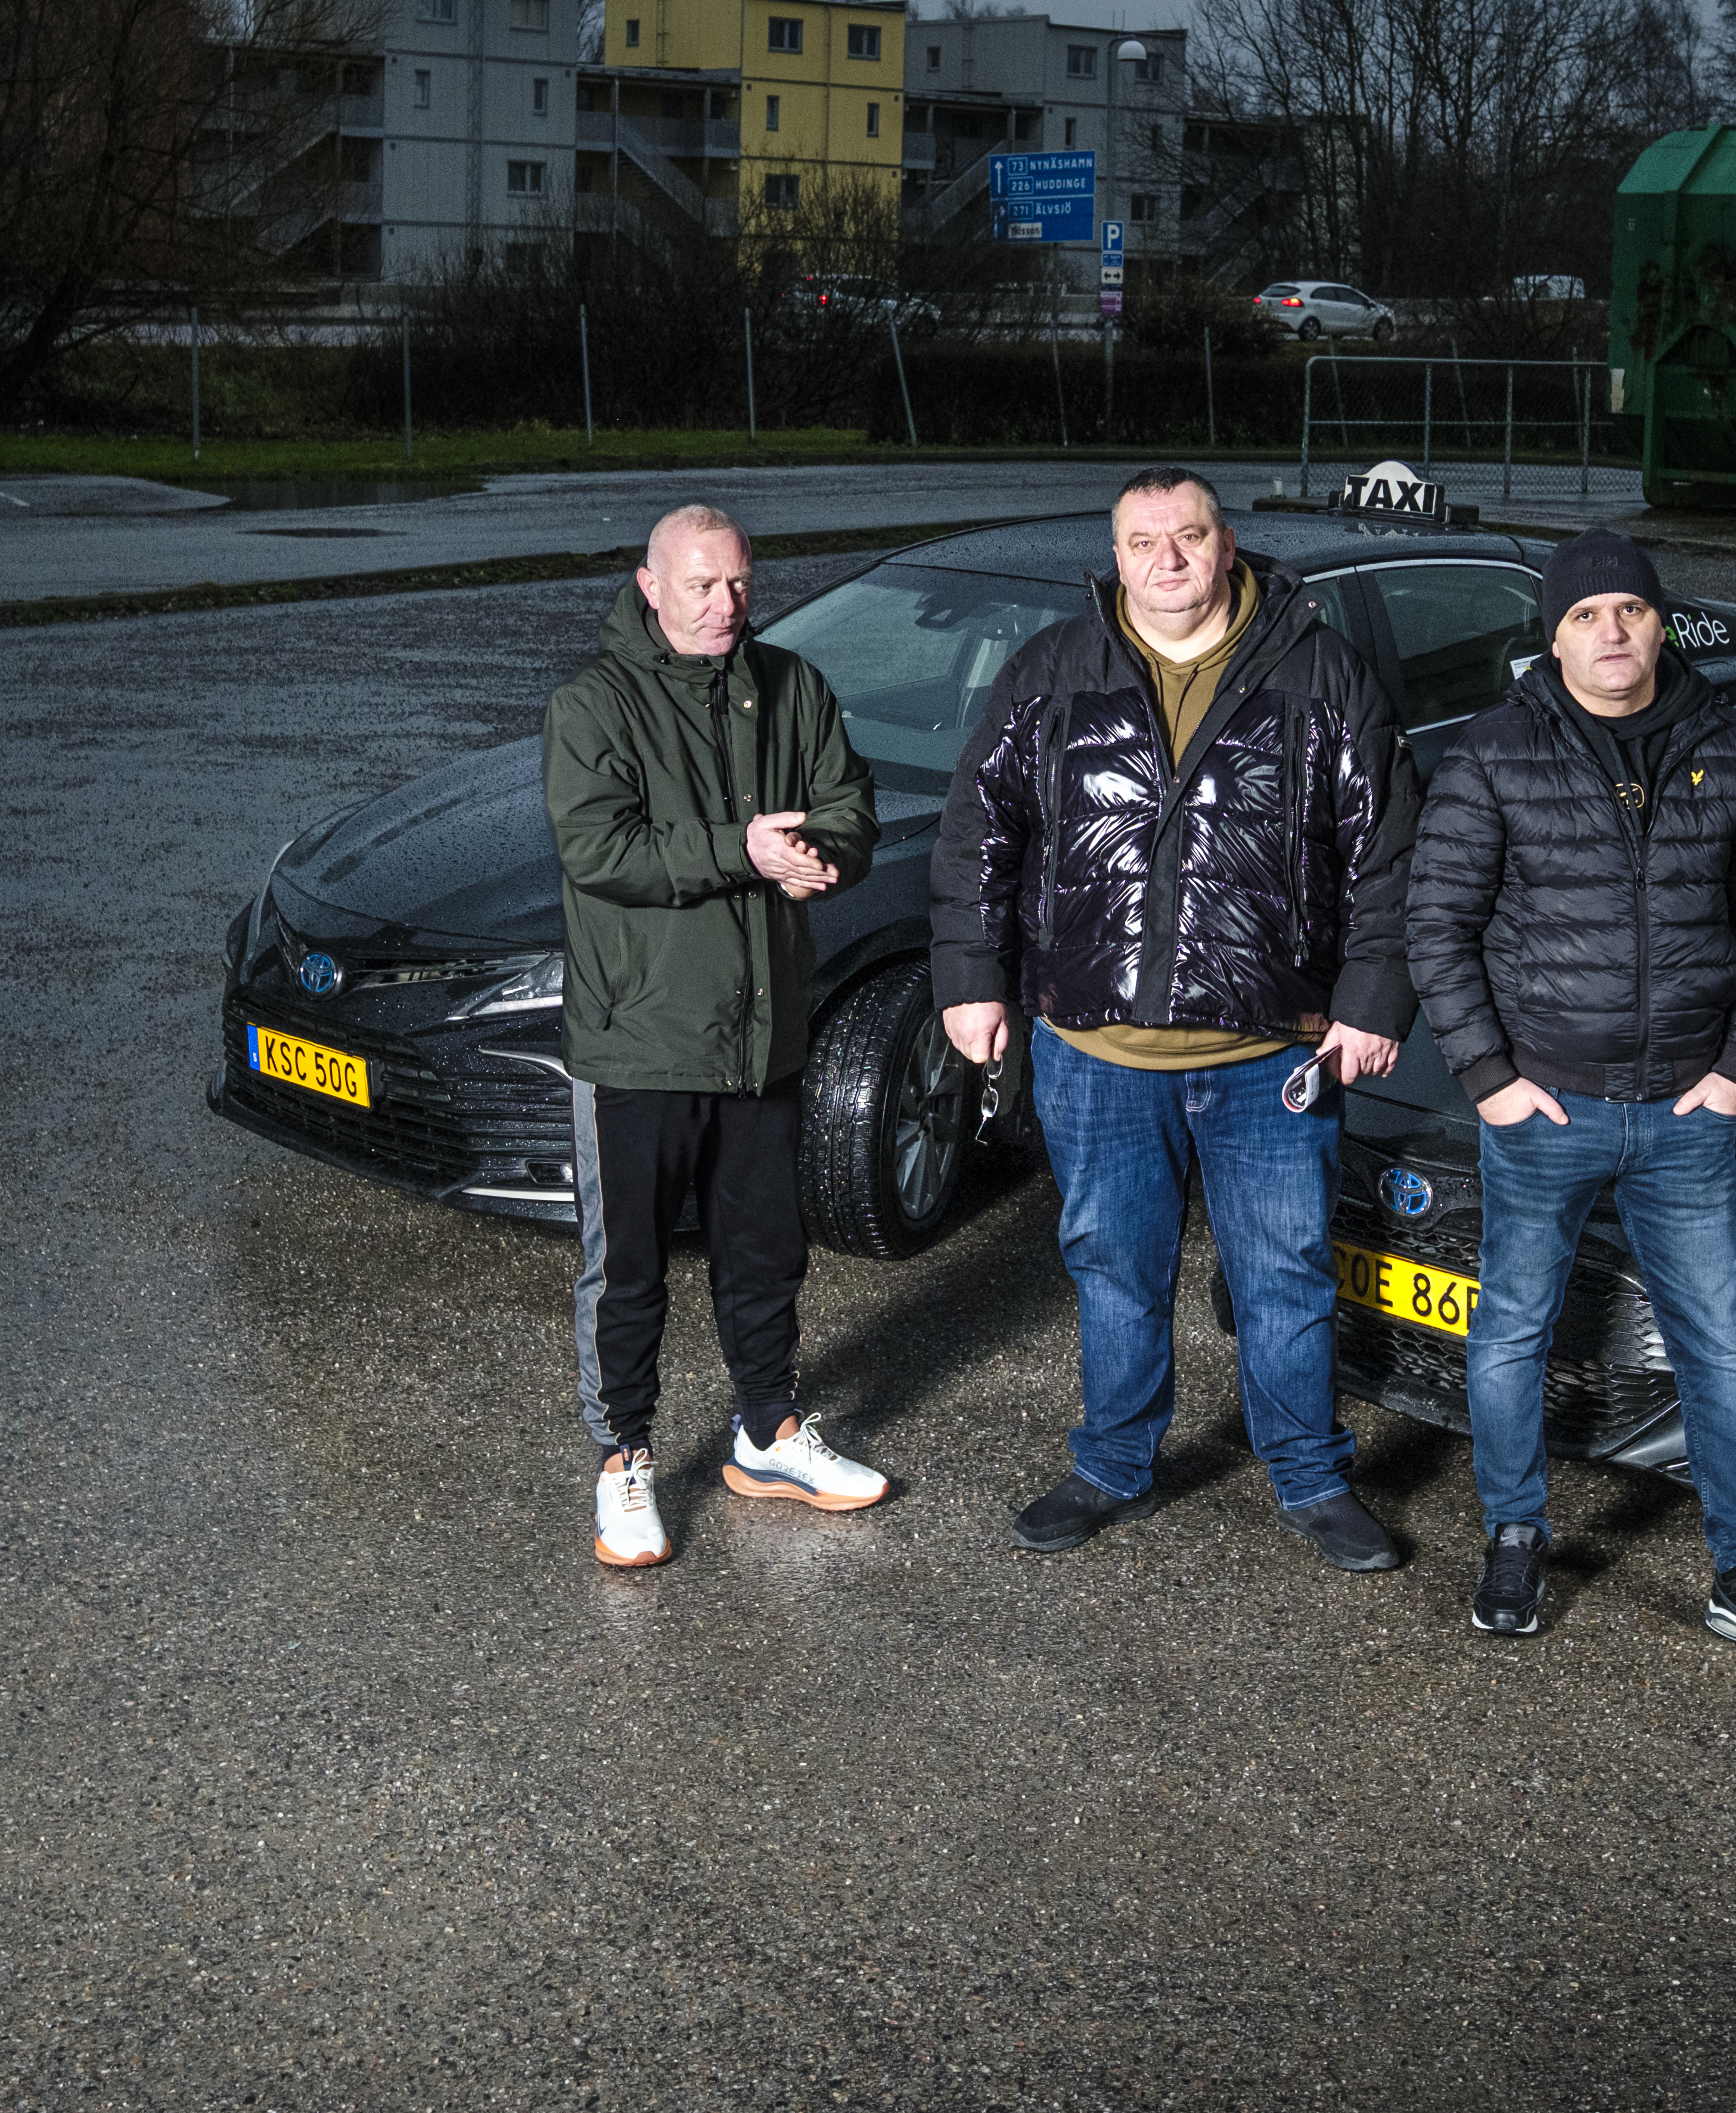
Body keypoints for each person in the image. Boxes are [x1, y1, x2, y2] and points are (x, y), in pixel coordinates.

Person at [931, 467, 1420, 1568]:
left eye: (1188, 536)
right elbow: (979, 835)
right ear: (1114, 556)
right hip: (1095, 1050)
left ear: (1226, 542)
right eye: (1143, 541)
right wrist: (971, 977)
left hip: (1269, 1053)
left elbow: (1386, 853)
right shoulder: (1053, 671)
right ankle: (1111, 1461)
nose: (1168, 559)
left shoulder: (1319, 670)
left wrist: (1371, 999)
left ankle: (1308, 1474)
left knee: (1286, 1270)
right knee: (1113, 1265)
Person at [1406, 532, 1736, 1669]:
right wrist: (1491, 1081)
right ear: (1553, 635)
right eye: (1587, 613)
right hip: (1546, 1107)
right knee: (1510, 1332)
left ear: (1659, 625)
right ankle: (1513, 1533)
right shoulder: (1494, 750)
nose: (1611, 631)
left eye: (1631, 612)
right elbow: (1437, 927)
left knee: (1717, 1349)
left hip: (1686, 1115)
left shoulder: (1727, 745)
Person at [543, 502, 889, 1570]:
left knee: (764, 1252)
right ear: (649, 586)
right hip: (639, 1036)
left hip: (761, 1031)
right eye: (698, 584)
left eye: (738, 582)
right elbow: (601, 848)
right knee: (630, 1264)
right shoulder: (592, 702)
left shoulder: (791, 686)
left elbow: (849, 804)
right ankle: (623, 1461)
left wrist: (825, 853)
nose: (723, 604)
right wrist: (744, 850)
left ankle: (766, 1431)